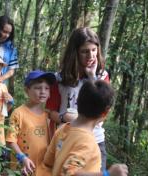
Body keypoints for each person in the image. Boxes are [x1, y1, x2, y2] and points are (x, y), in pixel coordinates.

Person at [46, 27, 109, 170]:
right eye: (85, 51)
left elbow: (104, 108)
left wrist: (93, 77)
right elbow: (50, 112)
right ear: (75, 53)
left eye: (94, 50)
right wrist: (65, 118)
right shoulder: (59, 78)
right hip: (68, 138)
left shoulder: (102, 76)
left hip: (95, 139)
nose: (91, 56)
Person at [43, 80, 128, 176]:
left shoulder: (62, 129)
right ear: (105, 112)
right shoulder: (87, 143)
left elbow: (47, 161)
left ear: (77, 101)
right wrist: (107, 174)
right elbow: (69, 173)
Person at [6, 70, 56, 176]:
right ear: (27, 90)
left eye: (46, 88)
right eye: (38, 88)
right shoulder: (18, 113)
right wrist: (22, 157)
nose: (43, 91)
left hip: (44, 170)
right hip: (22, 168)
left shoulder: (49, 115)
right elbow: (11, 141)